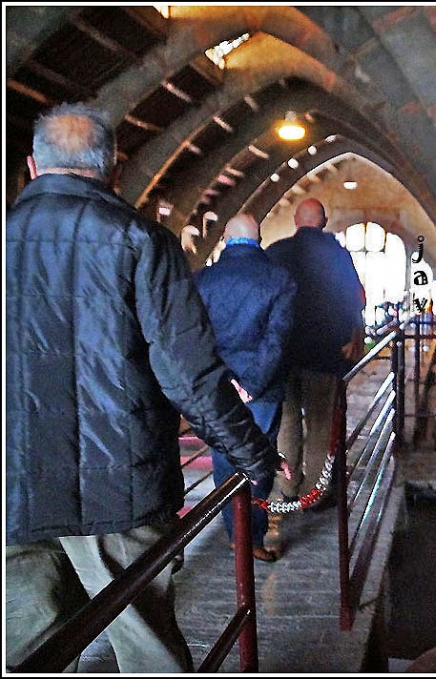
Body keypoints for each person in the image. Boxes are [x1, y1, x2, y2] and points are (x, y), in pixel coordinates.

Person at [5, 103, 281, 672]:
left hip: (11, 486)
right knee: (145, 645)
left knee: (27, 649)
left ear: (32, 167)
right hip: (118, 493)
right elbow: (189, 375)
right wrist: (252, 454)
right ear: (114, 168)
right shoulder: (140, 241)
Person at [194, 213, 298, 562]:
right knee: (259, 459)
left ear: (224, 238)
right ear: (260, 238)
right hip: (262, 388)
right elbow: (277, 339)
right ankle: (251, 538)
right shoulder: (279, 279)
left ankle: (234, 535)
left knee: (224, 458)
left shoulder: (203, 280)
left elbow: (197, 339)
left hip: (219, 388)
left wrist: (223, 381)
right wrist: (252, 384)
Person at [266, 198, 366, 509]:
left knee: (287, 420)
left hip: (283, 353)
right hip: (325, 352)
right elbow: (355, 299)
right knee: (322, 424)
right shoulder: (338, 255)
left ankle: (288, 485)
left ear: (296, 220)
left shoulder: (276, 252)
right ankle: (315, 491)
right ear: (323, 221)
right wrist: (353, 332)